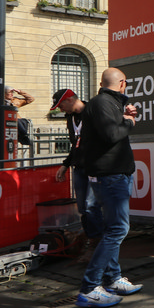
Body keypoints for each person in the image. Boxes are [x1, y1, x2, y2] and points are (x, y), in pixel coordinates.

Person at [76, 68, 143, 308]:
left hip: (113, 175)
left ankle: (113, 279)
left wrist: (124, 115)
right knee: (117, 229)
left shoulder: (106, 103)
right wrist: (129, 121)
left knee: (112, 229)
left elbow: (109, 130)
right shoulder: (103, 103)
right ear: (122, 83)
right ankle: (90, 288)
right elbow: (112, 134)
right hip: (111, 176)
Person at [50, 89, 103, 242]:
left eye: (61, 106)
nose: (61, 110)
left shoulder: (93, 112)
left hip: (94, 167)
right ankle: (90, 237)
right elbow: (75, 145)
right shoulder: (71, 118)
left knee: (90, 205)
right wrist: (66, 165)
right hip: (79, 168)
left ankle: (97, 240)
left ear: (70, 100)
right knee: (82, 207)